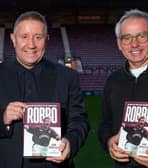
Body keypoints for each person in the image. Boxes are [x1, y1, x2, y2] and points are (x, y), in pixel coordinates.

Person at [0, 11, 90, 168]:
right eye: (24, 37)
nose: (31, 44)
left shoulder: (67, 77)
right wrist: (3, 119)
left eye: (38, 37)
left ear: (47, 40)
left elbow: (79, 121)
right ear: (13, 39)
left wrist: (70, 143)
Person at [98, 9, 148, 168]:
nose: (134, 44)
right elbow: (104, 124)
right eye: (126, 38)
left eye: (141, 36)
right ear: (119, 44)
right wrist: (108, 141)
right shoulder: (113, 80)